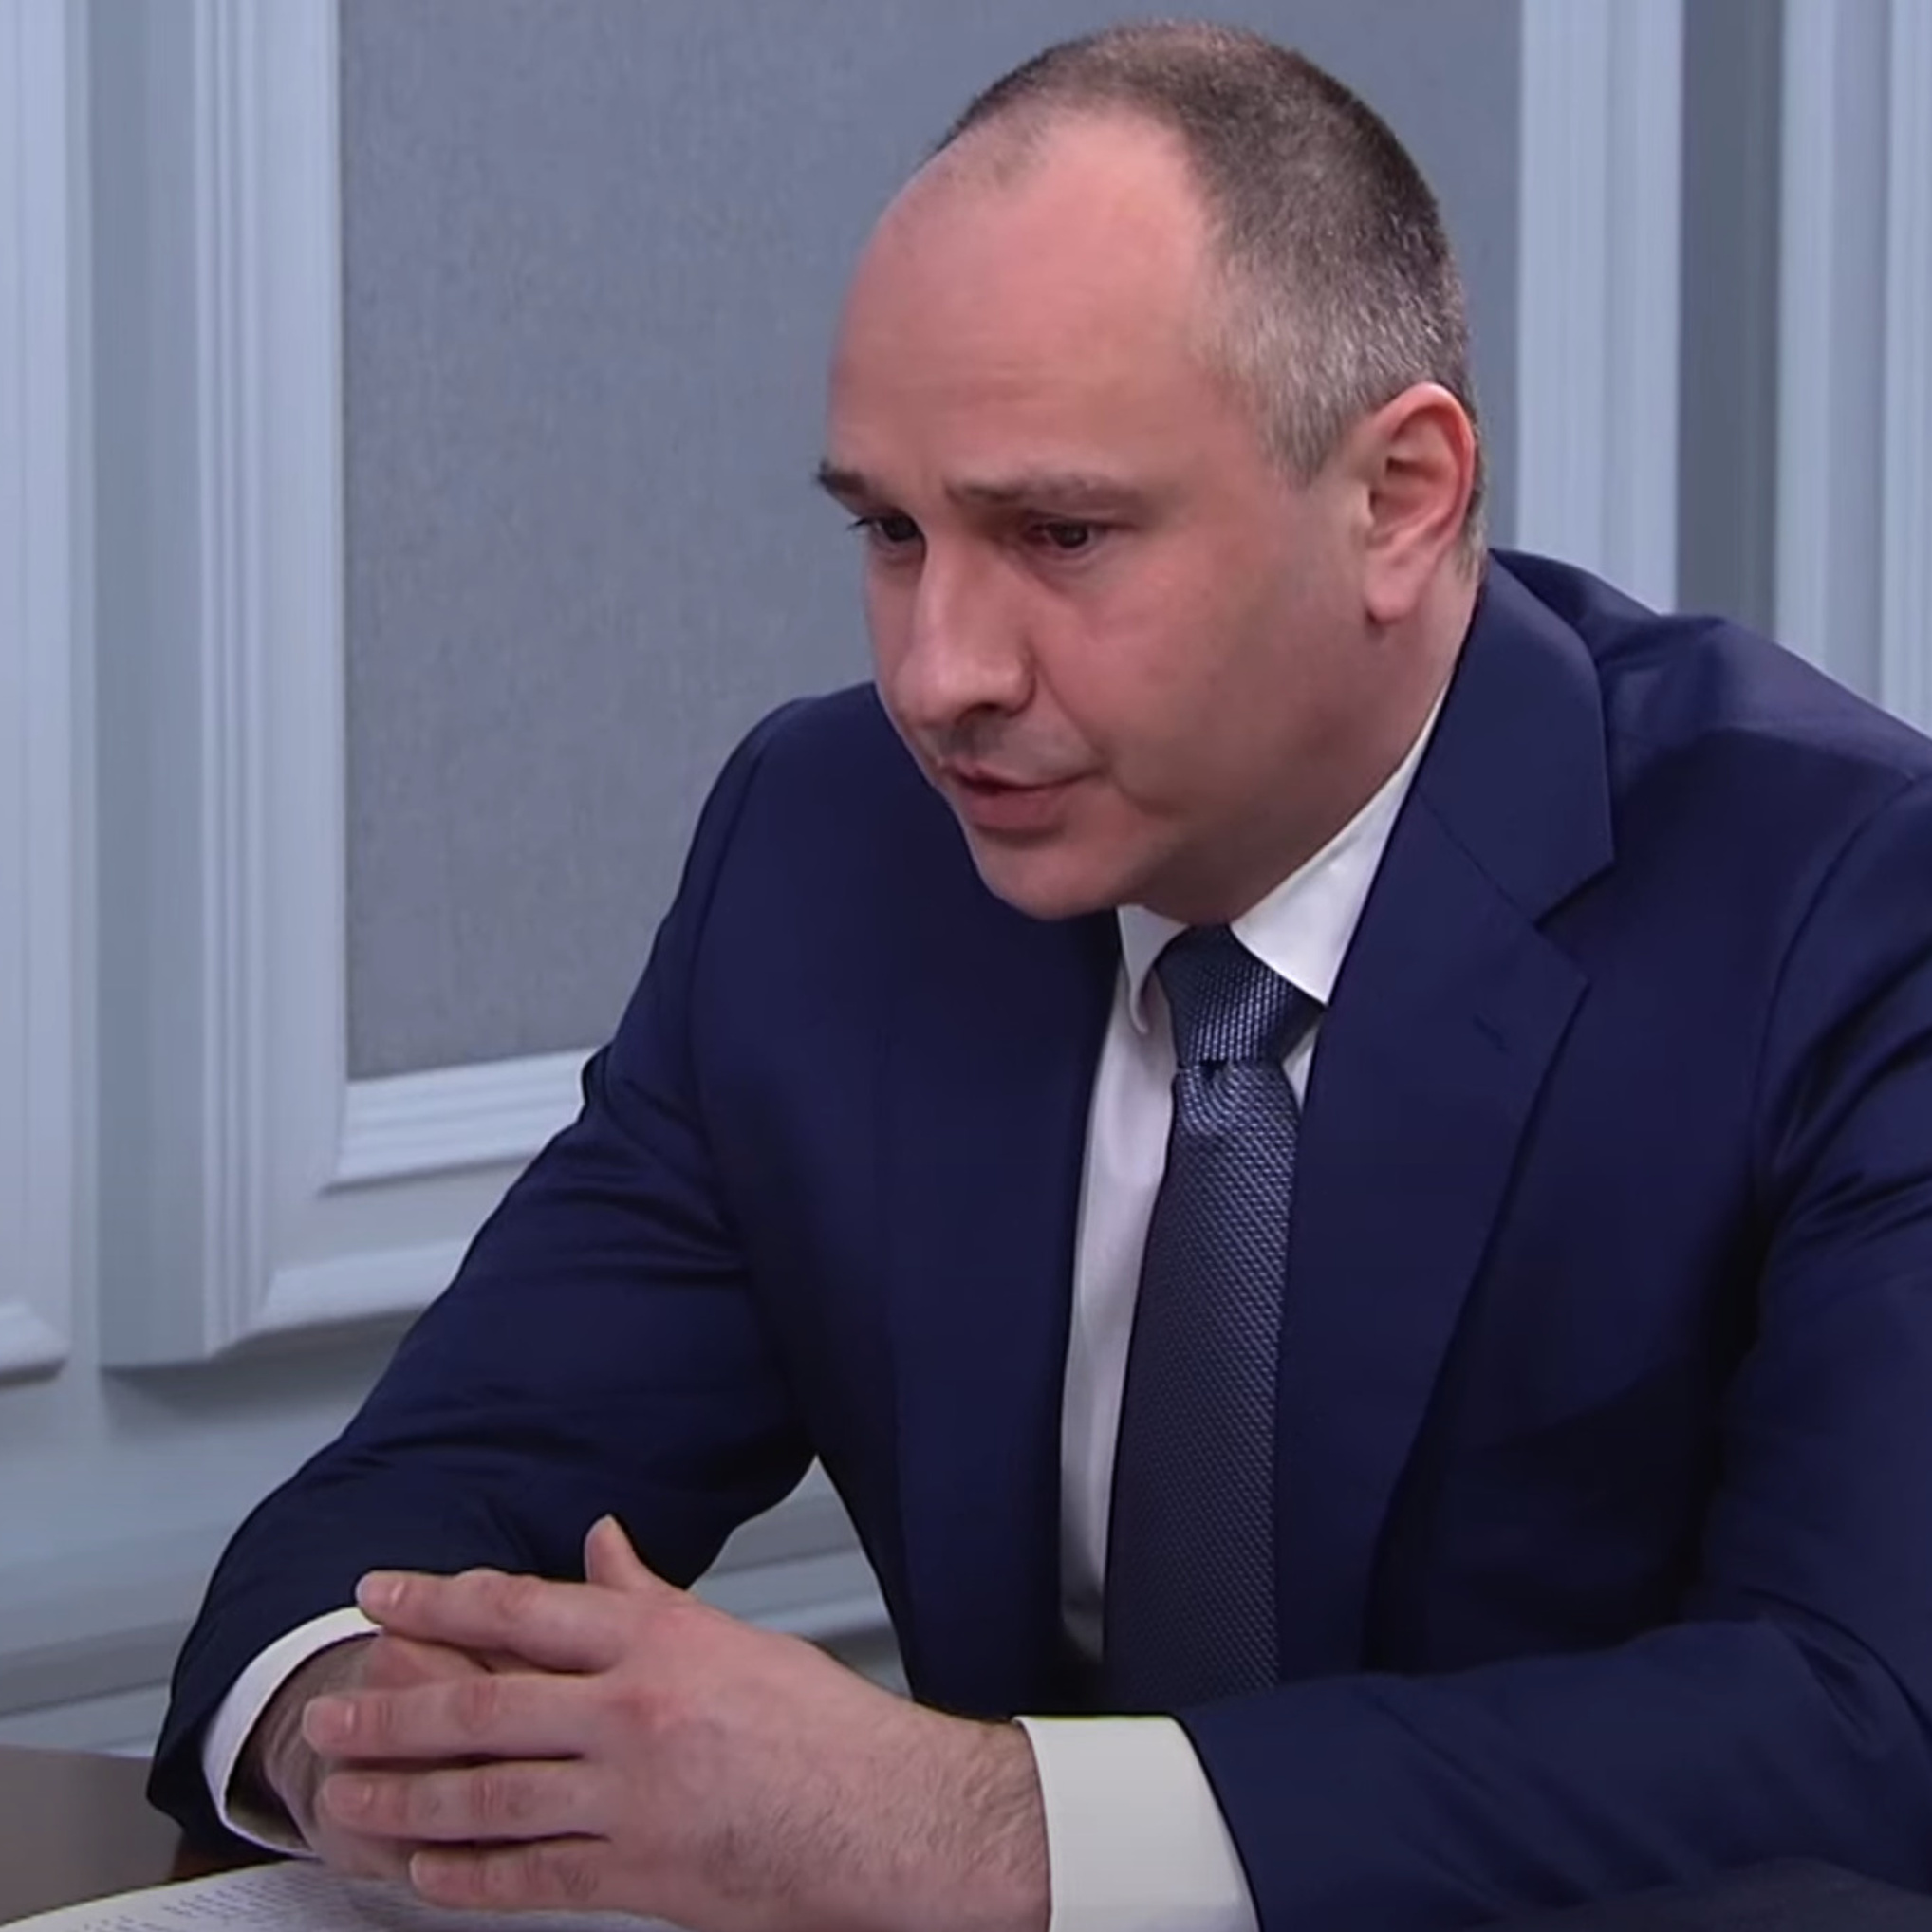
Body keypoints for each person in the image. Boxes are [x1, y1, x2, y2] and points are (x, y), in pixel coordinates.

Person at [150, 22, 1932, 1932]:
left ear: (1400, 498)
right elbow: (411, 1513)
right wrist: (384, 1724)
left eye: (1060, 534)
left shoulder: (1840, 903)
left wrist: (984, 1823)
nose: (941, 675)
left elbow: (1863, 1743)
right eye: (890, 532)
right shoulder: (828, 850)